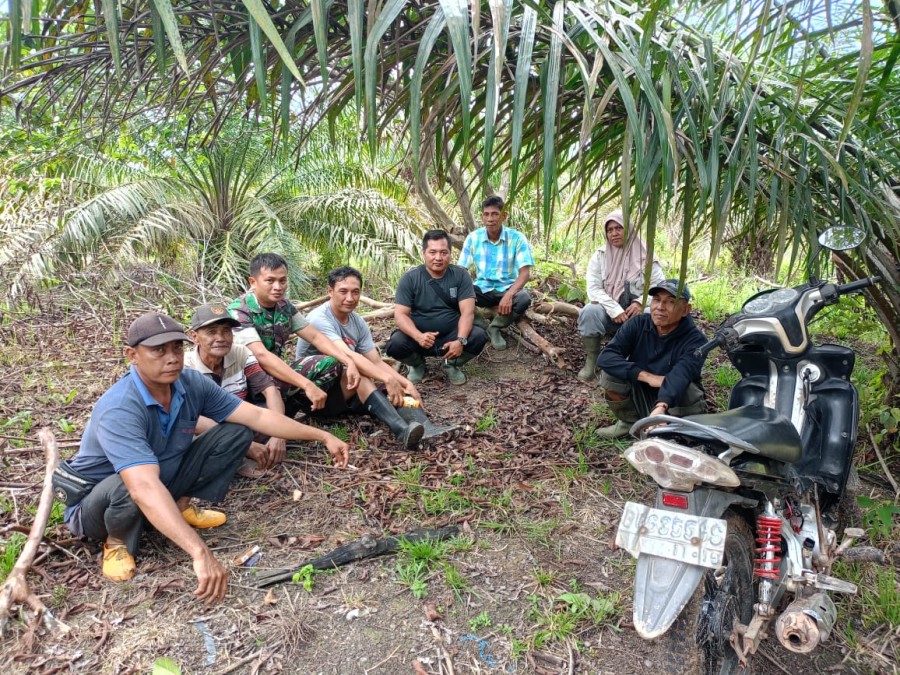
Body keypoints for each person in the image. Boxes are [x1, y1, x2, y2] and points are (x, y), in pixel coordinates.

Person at [62, 312, 350, 598]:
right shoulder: (120, 407)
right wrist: (200, 552)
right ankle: (116, 542)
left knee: (236, 433)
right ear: (132, 355)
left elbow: (256, 416)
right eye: (158, 350)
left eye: (176, 347)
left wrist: (322, 435)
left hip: (160, 478)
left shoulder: (189, 383)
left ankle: (180, 507)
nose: (172, 357)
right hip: (98, 505)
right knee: (128, 484)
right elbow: (142, 486)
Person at [294, 267, 426, 448]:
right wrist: (388, 378)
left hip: (342, 391)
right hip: (314, 398)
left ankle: (423, 426)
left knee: (395, 389)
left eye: (355, 292)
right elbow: (347, 355)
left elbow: (376, 361)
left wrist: (404, 382)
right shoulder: (319, 318)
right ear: (330, 292)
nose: (350, 298)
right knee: (361, 376)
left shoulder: (358, 322)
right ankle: (401, 431)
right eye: (343, 292)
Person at [227, 253, 361, 419]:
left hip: (276, 374)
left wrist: (349, 361)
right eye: (270, 280)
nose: (278, 286)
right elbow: (261, 355)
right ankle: (272, 414)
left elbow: (315, 337)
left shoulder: (284, 305)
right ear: (253, 282)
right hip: (249, 380)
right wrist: (306, 384)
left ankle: (297, 409)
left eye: (282, 280)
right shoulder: (240, 311)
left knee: (330, 363)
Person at [595, 279, 708, 438]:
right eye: (656, 300)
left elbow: (681, 375)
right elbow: (606, 357)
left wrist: (661, 406)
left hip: (674, 400)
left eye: (670, 302)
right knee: (611, 374)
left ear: (685, 310)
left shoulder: (696, 341)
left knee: (687, 388)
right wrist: (647, 377)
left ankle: (672, 431)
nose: (660, 307)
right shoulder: (638, 324)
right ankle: (630, 424)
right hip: (643, 389)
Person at [184, 302, 286, 476]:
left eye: (226, 331)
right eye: (211, 332)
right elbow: (191, 419)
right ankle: (238, 458)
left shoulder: (240, 353)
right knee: (189, 438)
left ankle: (248, 449)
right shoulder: (186, 366)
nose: (221, 337)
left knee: (268, 413)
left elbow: (269, 389)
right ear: (194, 336)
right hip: (208, 430)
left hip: (238, 422)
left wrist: (279, 433)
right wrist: (244, 444)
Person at [385, 230, 488, 385]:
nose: (438, 258)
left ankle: (451, 364)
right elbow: (400, 315)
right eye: (432, 252)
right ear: (424, 253)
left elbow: (468, 313)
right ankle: (417, 364)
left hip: (452, 335)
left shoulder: (460, 275)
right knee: (395, 344)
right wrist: (418, 336)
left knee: (478, 336)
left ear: (450, 254)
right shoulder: (410, 278)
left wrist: (460, 340)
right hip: (420, 337)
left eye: (443, 252)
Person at [577, 209, 665, 381]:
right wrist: (614, 309)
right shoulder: (599, 256)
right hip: (611, 313)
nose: (614, 233)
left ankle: (640, 362)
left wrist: (641, 302)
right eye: (609, 230)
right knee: (589, 311)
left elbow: (658, 285)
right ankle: (592, 361)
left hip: (637, 313)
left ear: (630, 229)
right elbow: (594, 288)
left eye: (619, 228)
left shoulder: (645, 254)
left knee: (652, 316)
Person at [458, 195, 535, 350]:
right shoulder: (474, 238)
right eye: (486, 214)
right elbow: (461, 270)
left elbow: (525, 273)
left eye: (495, 214)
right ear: (482, 216)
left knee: (523, 299)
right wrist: (463, 288)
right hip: (481, 289)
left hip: (506, 289)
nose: (490, 219)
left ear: (504, 216)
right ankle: (482, 325)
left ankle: (495, 327)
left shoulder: (517, 238)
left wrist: (509, 295)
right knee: (454, 292)